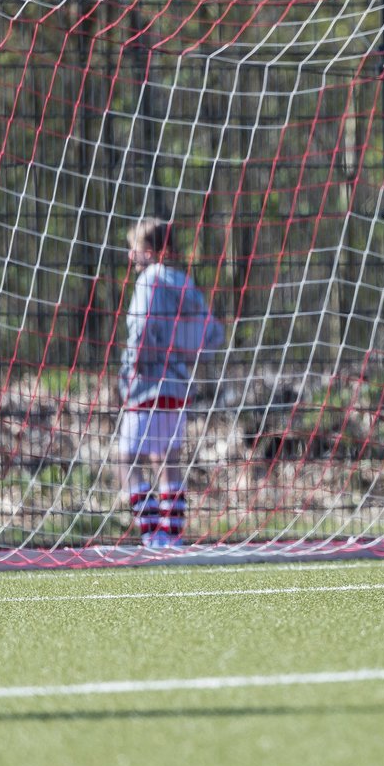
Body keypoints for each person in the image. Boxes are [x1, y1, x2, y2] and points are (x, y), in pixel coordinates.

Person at [118, 218, 224, 548]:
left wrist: (131, 370)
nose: (130, 255)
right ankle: (171, 536)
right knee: (167, 460)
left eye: (133, 248)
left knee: (125, 461)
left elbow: (142, 330)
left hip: (147, 383)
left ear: (148, 251)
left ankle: (152, 532)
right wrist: (182, 353)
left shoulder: (148, 281)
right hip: (177, 385)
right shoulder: (182, 281)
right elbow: (212, 334)